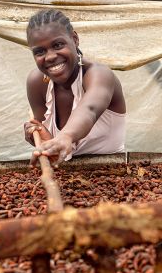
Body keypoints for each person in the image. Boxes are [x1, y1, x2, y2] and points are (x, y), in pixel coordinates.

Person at [24, 9, 126, 166]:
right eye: (40, 51)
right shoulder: (36, 83)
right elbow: (56, 150)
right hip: (64, 178)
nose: (50, 56)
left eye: (58, 45)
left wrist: (66, 135)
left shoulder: (99, 74)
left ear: (75, 39)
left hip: (113, 175)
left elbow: (90, 109)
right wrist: (44, 140)